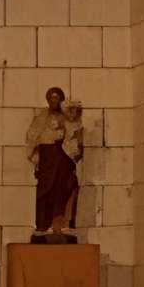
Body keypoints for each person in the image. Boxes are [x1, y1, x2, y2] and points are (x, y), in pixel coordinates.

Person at [27, 86, 85, 237]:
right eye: (51, 98)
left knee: (66, 187)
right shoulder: (41, 117)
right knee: (45, 191)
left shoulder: (67, 117)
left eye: (57, 98)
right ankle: (42, 225)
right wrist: (36, 154)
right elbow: (32, 137)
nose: (54, 101)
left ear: (61, 100)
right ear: (48, 100)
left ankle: (61, 223)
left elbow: (75, 138)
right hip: (47, 159)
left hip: (62, 158)